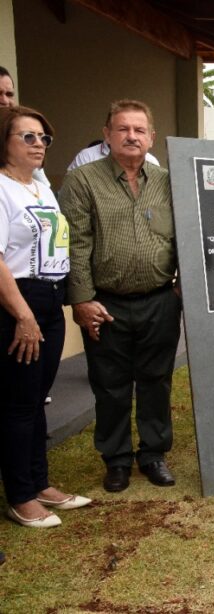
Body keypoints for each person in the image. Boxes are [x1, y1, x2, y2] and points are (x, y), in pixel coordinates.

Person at [61, 100, 181, 493]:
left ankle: (153, 454)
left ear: (151, 137)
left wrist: (183, 288)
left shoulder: (167, 182)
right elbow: (76, 244)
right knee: (109, 385)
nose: (131, 136)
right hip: (105, 303)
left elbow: (185, 235)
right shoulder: (83, 181)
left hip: (160, 300)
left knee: (156, 381)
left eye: (139, 130)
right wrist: (81, 301)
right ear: (107, 135)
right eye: (123, 129)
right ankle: (116, 460)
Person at [1, 106, 91, 528]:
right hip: (18, 302)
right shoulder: (2, 188)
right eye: (28, 137)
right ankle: (19, 495)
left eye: (43, 138)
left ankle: (39, 483)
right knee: (18, 404)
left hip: (50, 299)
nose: (39, 144)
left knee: (37, 399)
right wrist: (23, 314)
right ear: (4, 142)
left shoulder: (40, 188)